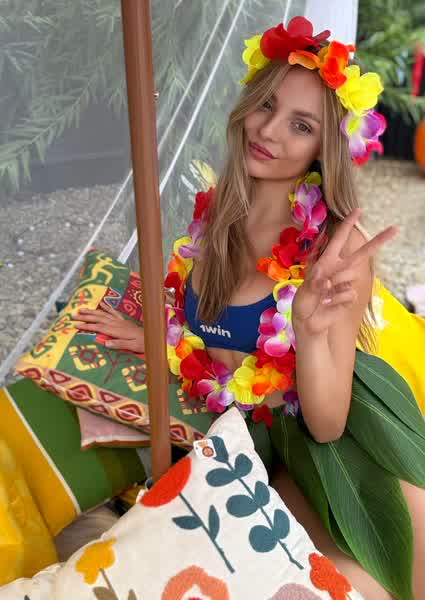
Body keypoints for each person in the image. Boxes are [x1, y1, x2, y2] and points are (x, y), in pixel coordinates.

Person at [74, 17, 425, 599]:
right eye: (266, 105)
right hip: (234, 434)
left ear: (324, 149)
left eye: (301, 125)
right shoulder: (216, 217)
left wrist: (310, 329)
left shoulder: (332, 256)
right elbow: (212, 344)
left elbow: (326, 423)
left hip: (314, 454)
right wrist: (160, 341)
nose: (268, 129)